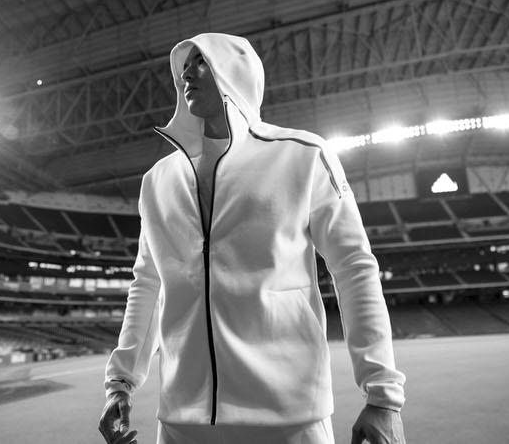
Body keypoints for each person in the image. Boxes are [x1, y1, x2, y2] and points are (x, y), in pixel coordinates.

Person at [99, 33, 406, 444]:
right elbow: (148, 285)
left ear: (236, 71)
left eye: (201, 62)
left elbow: (353, 268)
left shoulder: (302, 154)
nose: (187, 72)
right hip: (182, 422)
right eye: (185, 66)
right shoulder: (158, 180)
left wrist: (383, 396)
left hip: (290, 419)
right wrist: (120, 383)